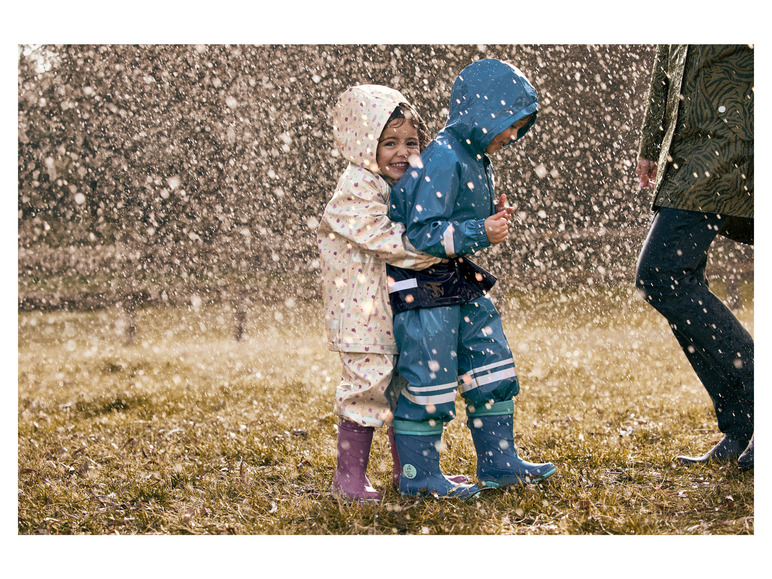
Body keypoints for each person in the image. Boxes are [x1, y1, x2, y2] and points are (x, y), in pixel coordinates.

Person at [387, 59, 557, 498]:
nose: (513, 135)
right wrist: (479, 230)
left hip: (458, 281)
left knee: (490, 361)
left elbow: (454, 223)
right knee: (430, 376)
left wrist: (487, 221)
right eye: (510, 124)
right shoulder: (442, 156)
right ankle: (419, 477)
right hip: (424, 288)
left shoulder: (473, 155)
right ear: (485, 114)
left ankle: (498, 461)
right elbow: (422, 232)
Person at [318, 85, 469, 502]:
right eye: (389, 143)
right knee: (367, 385)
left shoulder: (401, 185)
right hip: (362, 311)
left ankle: (414, 471)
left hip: (400, 306)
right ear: (364, 143)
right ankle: (349, 477)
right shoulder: (357, 187)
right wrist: (431, 248)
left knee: (406, 385)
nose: (402, 152)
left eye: (411, 142)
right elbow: (382, 239)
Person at [635, 45, 754, 470]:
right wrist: (652, 141)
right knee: (669, 277)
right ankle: (742, 424)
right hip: (689, 148)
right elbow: (666, 60)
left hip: (734, 140)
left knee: (662, 273)